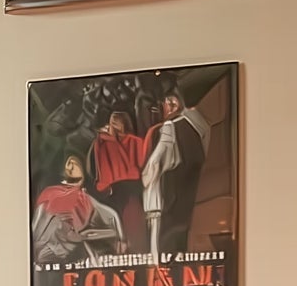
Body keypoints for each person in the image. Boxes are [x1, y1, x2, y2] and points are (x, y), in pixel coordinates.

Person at [141, 86, 209, 260]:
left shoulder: (170, 125)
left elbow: (158, 157)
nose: (169, 106)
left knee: (169, 223)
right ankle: (178, 256)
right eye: (167, 103)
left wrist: (148, 176)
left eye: (171, 102)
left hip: (173, 181)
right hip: (192, 177)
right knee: (183, 220)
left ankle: (168, 258)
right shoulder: (197, 123)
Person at [31, 154, 124, 264]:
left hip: (71, 247)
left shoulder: (86, 199)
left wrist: (122, 239)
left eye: (74, 163)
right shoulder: (50, 193)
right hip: (47, 246)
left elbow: (111, 215)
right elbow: (38, 222)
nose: (70, 166)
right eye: (68, 164)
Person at [88, 109, 151, 252]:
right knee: (119, 220)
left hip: (132, 186)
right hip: (116, 187)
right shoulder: (102, 143)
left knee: (133, 220)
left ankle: (136, 249)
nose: (114, 126)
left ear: (125, 123)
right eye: (112, 123)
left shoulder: (136, 142)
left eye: (117, 122)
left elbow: (143, 163)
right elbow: (102, 167)